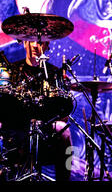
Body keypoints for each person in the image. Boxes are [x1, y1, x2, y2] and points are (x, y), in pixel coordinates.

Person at [0, 40, 73, 181]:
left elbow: (64, 115)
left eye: (40, 42)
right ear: (24, 42)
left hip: (45, 134)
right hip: (14, 131)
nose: (35, 45)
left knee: (64, 130)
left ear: (46, 46)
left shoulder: (54, 73)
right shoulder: (12, 70)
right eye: (31, 40)